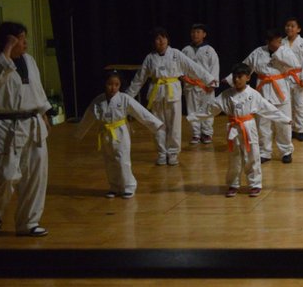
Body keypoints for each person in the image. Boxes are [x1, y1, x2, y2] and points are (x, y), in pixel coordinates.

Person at [0, 21, 53, 237]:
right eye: (20, 39)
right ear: (9, 40)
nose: (25, 43)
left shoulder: (30, 60)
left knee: (36, 175)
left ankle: (28, 222)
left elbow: (37, 89)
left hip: (33, 123)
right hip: (4, 126)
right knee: (5, 175)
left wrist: (44, 114)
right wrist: (6, 50)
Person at [126, 27, 215, 166]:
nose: (161, 41)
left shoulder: (176, 54)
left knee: (174, 126)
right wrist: (127, 97)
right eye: (157, 38)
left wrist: (209, 78)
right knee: (157, 125)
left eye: (163, 37)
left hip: (173, 94)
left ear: (167, 39)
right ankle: (162, 152)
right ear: (153, 42)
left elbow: (192, 67)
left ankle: (173, 153)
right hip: (156, 95)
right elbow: (139, 79)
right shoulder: (150, 58)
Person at [206, 63, 292, 197]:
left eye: (240, 77)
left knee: (252, 155)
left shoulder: (253, 94)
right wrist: (194, 116)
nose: (236, 80)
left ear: (247, 78)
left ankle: (255, 184)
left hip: (248, 126)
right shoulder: (226, 94)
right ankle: (233, 184)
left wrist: (285, 119)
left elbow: (268, 108)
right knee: (234, 157)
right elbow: (211, 107)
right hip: (233, 127)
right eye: (235, 77)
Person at [75, 69, 163, 198]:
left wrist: (155, 123)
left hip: (120, 132)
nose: (113, 88)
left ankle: (129, 186)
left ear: (120, 85)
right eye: (110, 84)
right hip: (105, 132)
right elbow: (88, 116)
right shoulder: (98, 100)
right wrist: (79, 133)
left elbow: (140, 112)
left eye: (116, 85)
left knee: (123, 159)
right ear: (104, 84)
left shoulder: (124, 98)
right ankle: (114, 186)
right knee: (109, 160)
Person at [236, 30, 301, 164]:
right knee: (263, 124)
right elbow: (245, 67)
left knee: (283, 123)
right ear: (268, 41)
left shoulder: (285, 51)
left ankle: (286, 151)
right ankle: (265, 151)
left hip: (280, 91)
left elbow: (295, 64)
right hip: (263, 91)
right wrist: (231, 79)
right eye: (276, 41)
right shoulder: (258, 52)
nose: (279, 42)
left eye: (280, 40)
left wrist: (278, 52)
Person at [181, 23, 219, 145]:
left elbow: (214, 67)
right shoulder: (186, 50)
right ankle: (196, 134)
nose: (195, 34)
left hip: (205, 85)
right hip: (191, 84)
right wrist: (182, 76)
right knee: (192, 110)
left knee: (207, 109)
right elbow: (181, 66)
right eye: (193, 32)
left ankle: (207, 133)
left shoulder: (209, 50)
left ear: (204, 34)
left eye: (198, 32)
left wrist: (212, 83)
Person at [283, 17, 303, 142]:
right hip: (284, 77)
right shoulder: (282, 43)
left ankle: (301, 130)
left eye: (292, 26)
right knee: (286, 105)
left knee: (300, 104)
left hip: (299, 77)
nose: (289, 28)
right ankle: (288, 129)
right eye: (287, 25)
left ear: (298, 29)